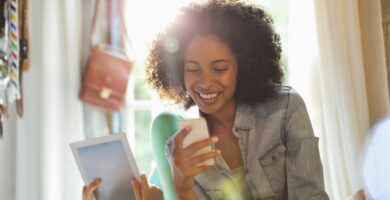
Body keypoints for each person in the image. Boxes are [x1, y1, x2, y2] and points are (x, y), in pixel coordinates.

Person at [84, 0, 329, 199]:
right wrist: (183, 188)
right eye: (193, 68)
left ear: (242, 67)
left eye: (220, 68)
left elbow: (311, 195)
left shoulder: (285, 109)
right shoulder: (178, 148)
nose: (205, 81)